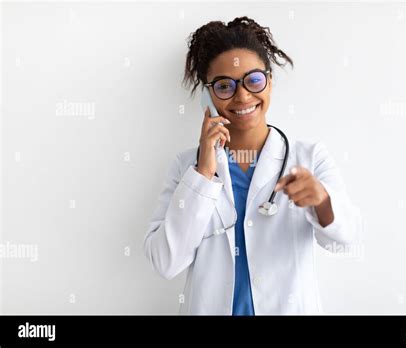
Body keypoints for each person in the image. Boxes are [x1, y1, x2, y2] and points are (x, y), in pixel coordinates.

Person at [144, 16, 361, 315]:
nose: (243, 95)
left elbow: (346, 238)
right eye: (224, 86)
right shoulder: (187, 167)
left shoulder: (309, 158)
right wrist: (203, 175)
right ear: (210, 93)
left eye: (254, 79)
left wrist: (322, 201)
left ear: (269, 81)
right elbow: (165, 262)